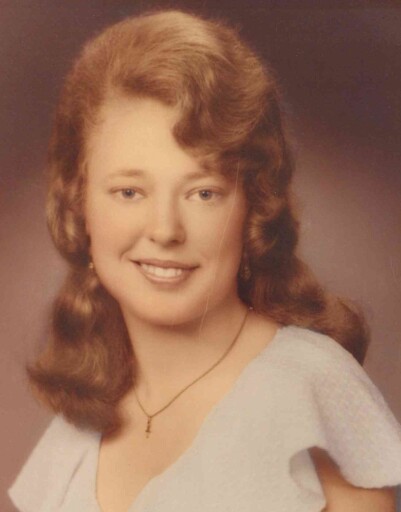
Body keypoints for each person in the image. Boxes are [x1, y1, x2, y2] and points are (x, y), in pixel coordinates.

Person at [8, 9, 401, 512]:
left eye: (203, 193)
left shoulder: (313, 389)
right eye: (129, 191)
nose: (165, 230)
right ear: (80, 204)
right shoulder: (78, 429)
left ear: (252, 206)